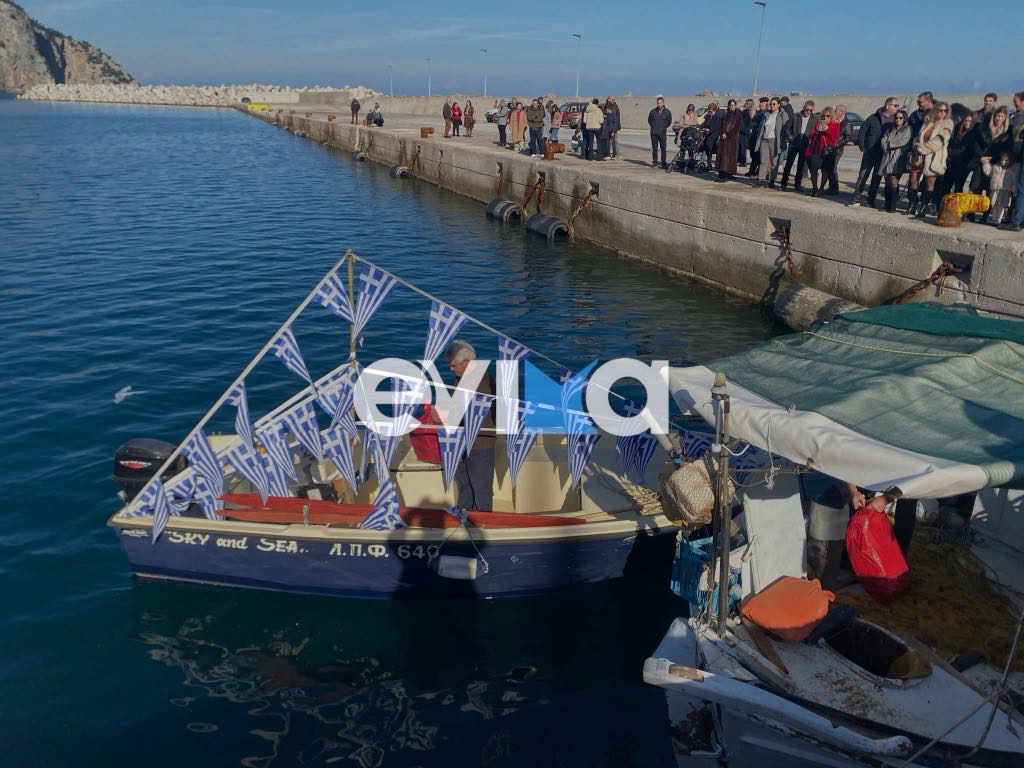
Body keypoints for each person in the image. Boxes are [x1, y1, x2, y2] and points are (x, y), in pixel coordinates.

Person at [444, 341, 495, 512]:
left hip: (479, 443)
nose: (451, 369)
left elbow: (474, 411)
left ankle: (482, 523)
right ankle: (464, 516)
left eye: (453, 365)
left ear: (466, 362)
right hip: (461, 441)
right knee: (464, 486)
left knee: (481, 489)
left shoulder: (481, 379)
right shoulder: (460, 379)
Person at [849, 97, 898, 207]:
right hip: (869, 152)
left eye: (897, 106)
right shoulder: (873, 117)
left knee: (876, 177)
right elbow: (863, 131)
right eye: (895, 105)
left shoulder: (896, 120)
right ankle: (856, 197)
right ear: (887, 106)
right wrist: (862, 147)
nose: (897, 108)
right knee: (863, 175)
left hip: (883, 154)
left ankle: (871, 199)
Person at [907, 102, 954, 218]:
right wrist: (916, 148)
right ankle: (912, 205)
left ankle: (923, 207)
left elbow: (937, 143)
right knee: (913, 179)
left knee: (930, 183)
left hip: (934, 157)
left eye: (945, 111)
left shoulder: (947, 124)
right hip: (919, 156)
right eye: (940, 110)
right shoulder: (928, 122)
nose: (943, 113)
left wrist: (921, 149)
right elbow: (918, 137)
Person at [970, 107, 1013, 196]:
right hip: (981, 162)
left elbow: (1007, 148)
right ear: (994, 116)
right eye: (998, 116)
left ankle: (988, 210)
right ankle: (972, 209)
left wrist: (994, 158)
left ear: (1005, 118)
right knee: (976, 189)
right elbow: (976, 143)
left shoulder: (1008, 131)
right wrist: (981, 157)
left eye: (1002, 116)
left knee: (991, 190)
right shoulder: (984, 128)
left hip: (995, 163)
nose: (999, 119)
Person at [879, 110, 913, 213]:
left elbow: (902, 141)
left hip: (899, 158)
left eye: (900, 118)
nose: (898, 120)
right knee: (887, 180)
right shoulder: (890, 129)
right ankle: (887, 204)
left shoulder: (907, 129)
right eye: (896, 118)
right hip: (887, 157)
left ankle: (892, 206)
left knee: (894, 180)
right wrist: (886, 146)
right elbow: (883, 140)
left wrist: (889, 144)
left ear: (904, 118)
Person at [803, 107, 840, 196]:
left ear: (831, 116)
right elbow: (811, 135)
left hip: (827, 151)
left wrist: (826, 129)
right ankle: (815, 188)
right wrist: (817, 131)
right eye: (823, 116)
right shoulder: (818, 123)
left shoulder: (835, 125)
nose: (825, 118)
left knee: (825, 170)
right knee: (813, 169)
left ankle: (821, 188)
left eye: (827, 116)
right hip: (816, 150)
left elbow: (834, 138)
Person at [781, 100, 816, 191]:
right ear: (803, 107)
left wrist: (810, 141)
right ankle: (783, 183)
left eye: (810, 110)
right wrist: (791, 138)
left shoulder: (814, 119)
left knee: (801, 166)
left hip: (805, 144)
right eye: (807, 109)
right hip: (794, 143)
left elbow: (815, 132)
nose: (808, 112)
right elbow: (787, 127)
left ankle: (797, 185)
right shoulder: (795, 116)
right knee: (789, 164)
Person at [940, 112, 978, 198]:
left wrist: (949, 151)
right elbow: (950, 143)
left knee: (958, 187)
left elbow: (964, 150)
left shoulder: (973, 133)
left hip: (963, 165)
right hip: (951, 163)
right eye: (966, 121)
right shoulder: (957, 130)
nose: (967, 123)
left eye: (969, 121)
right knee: (946, 186)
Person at [757, 97, 790, 187]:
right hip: (765, 139)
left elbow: (786, 127)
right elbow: (762, 127)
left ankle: (772, 180)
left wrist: (785, 140)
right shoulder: (767, 114)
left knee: (774, 161)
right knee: (763, 161)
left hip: (775, 140)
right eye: (771, 104)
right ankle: (760, 179)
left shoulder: (782, 114)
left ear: (779, 105)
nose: (772, 106)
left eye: (774, 104)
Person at [981, 152, 1020, 225]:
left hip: (1005, 190)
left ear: (1010, 160)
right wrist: (985, 164)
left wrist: (1013, 189)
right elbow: (989, 172)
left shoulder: (1011, 170)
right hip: (995, 189)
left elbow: (1014, 181)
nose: (1003, 162)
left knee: (1001, 205)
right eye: (1002, 160)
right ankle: (994, 218)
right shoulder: (995, 167)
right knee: (994, 204)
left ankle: (998, 219)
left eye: (1006, 160)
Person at [715, 99, 743, 181]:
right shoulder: (725, 114)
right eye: (731, 105)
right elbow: (720, 125)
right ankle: (722, 174)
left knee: (731, 156)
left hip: (732, 138)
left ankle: (729, 173)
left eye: (734, 105)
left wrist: (727, 134)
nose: (733, 107)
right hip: (723, 138)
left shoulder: (737, 115)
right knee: (722, 156)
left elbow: (735, 127)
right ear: (728, 106)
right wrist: (722, 133)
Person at [827, 105, 851, 195]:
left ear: (841, 112)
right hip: (829, 148)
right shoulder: (835, 121)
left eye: (835, 111)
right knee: (829, 168)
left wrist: (837, 145)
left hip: (838, 150)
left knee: (833, 167)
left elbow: (847, 137)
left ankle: (835, 188)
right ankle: (831, 187)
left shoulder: (846, 123)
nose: (834, 112)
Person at [745, 97, 770, 177]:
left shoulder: (767, 113)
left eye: (762, 102)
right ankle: (752, 171)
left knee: (760, 156)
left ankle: (759, 172)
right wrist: (751, 127)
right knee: (754, 155)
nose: (760, 104)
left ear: (766, 104)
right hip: (754, 138)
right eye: (760, 102)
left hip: (761, 138)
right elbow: (752, 123)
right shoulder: (758, 112)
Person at [648, 96, 672, 170]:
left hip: (662, 133)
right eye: (658, 103)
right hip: (654, 133)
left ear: (663, 103)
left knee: (663, 148)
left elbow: (669, 121)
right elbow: (649, 120)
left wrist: (664, 127)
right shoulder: (652, 111)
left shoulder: (667, 112)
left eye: (660, 103)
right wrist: (654, 126)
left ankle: (663, 162)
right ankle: (655, 162)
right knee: (654, 148)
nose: (659, 104)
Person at [701, 101, 722, 167]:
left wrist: (709, 130)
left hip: (714, 136)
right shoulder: (707, 117)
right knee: (707, 151)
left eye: (711, 112)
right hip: (707, 136)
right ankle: (709, 165)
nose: (710, 113)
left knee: (712, 150)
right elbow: (703, 124)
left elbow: (716, 127)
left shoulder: (717, 117)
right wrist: (703, 127)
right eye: (709, 112)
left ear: (715, 111)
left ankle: (716, 165)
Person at [739, 98, 755, 166]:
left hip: (749, 131)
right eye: (746, 103)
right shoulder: (745, 111)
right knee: (743, 147)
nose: (746, 104)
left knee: (749, 147)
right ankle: (743, 161)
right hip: (744, 130)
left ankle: (749, 161)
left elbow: (753, 120)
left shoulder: (753, 111)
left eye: (747, 103)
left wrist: (751, 128)